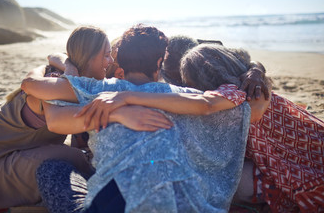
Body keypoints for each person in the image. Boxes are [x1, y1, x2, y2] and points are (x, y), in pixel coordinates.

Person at [21, 24, 269, 212]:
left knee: (52, 169)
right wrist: (254, 70)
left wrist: (69, 71)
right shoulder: (184, 98)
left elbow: (32, 85)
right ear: (160, 62)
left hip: (112, 204)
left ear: (118, 60)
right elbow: (250, 109)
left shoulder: (98, 90)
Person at [0, 25, 171, 210]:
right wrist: (121, 114)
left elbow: (56, 56)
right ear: (89, 56)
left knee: (76, 156)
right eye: (106, 55)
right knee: (75, 159)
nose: (110, 62)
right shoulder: (55, 84)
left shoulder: (72, 80)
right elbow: (60, 121)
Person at [178, 44, 324, 213]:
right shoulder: (252, 84)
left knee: (228, 184)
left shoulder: (237, 99)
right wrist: (256, 69)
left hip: (305, 168)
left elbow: (207, 107)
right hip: (313, 146)